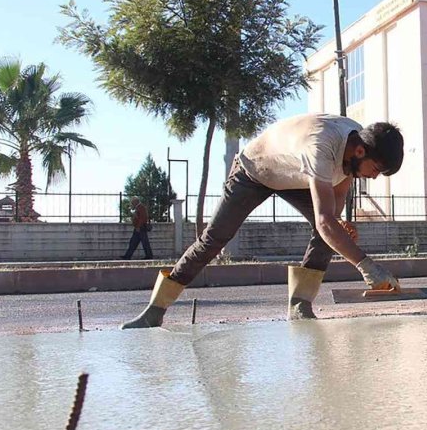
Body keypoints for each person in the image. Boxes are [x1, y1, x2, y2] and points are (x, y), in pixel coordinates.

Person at [121, 114, 404, 329]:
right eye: (376, 170)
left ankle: (300, 304)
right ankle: (156, 309)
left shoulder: (355, 152)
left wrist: (337, 225)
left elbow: (331, 216)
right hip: (255, 170)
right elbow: (324, 220)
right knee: (215, 237)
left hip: (294, 176)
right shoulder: (321, 146)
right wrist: (368, 267)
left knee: (327, 234)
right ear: (359, 152)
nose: (374, 177)